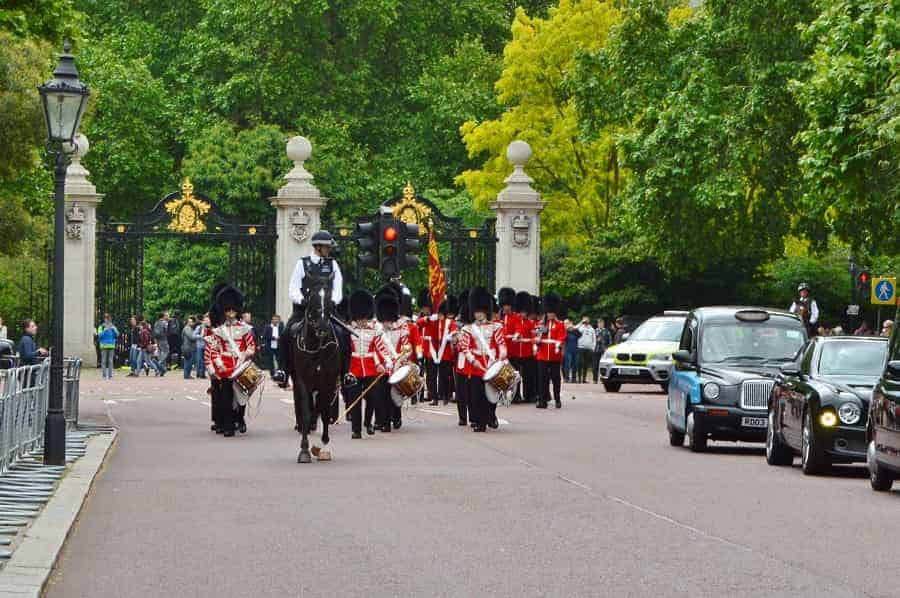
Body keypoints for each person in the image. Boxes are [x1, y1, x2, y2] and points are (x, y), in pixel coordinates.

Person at [275, 230, 350, 388]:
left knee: (343, 334)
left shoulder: (333, 264)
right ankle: (283, 370)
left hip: (327, 309)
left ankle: (346, 374)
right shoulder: (303, 263)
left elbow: (338, 289)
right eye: (327, 247)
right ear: (318, 247)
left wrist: (331, 302)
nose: (329, 249)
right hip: (304, 310)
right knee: (286, 333)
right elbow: (293, 287)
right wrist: (302, 300)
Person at [204, 284, 256, 437]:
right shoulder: (219, 330)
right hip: (225, 366)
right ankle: (228, 425)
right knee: (226, 398)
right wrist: (218, 364)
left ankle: (239, 419)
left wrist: (245, 355)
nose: (231, 312)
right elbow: (214, 348)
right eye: (228, 310)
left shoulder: (245, 328)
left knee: (241, 396)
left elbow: (251, 346)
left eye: (233, 310)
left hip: (240, 365)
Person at [459, 286, 507, 432]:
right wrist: (473, 360)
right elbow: (465, 348)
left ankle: (491, 416)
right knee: (476, 396)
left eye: (480, 311)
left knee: (491, 395)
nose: (478, 314)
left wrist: (501, 357)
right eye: (476, 311)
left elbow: (501, 344)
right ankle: (480, 422)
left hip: (491, 364)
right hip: (475, 366)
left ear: (486, 310)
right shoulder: (468, 329)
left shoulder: (495, 327)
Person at [344, 290, 385, 438]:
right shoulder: (349, 330)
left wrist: (382, 363)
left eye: (365, 317)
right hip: (354, 369)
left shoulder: (373, 331)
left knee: (373, 398)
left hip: (370, 369)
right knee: (355, 400)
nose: (363, 320)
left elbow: (380, 348)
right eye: (360, 318)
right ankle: (356, 430)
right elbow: (345, 352)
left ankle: (368, 422)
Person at [375, 288, 409, 432]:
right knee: (381, 395)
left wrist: (403, 358)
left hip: (396, 365)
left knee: (395, 393)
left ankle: (396, 417)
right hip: (382, 366)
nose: (388, 322)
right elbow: (374, 348)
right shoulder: (376, 328)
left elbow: (407, 345)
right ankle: (384, 422)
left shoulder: (401, 326)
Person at [422, 293, 457, 406]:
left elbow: (454, 332)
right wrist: (427, 318)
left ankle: (445, 395)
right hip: (432, 352)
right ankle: (434, 397)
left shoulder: (449, 322)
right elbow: (419, 324)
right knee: (431, 376)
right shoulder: (431, 320)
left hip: (445, 352)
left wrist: (449, 336)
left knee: (444, 376)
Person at [535, 293, 566, 409]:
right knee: (542, 379)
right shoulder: (542, 325)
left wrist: (558, 344)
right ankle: (543, 400)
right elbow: (537, 337)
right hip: (542, 356)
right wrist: (537, 339)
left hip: (554, 356)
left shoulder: (560, 324)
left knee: (556, 378)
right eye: (548, 312)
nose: (550, 314)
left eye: (552, 312)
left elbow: (562, 337)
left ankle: (557, 398)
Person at [497, 288, 522, 401]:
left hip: (513, 350)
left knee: (515, 373)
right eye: (504, 305)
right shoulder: (499, 318)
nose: (506, 307)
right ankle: (503, 395)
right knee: (503, 374)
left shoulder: (516, 317)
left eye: (508, 305)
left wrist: (516, 335)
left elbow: (518, 328)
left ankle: (516, 395)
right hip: (503, 351)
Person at [453, 290, 473, 426]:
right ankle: (462, 417)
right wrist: (454, 342)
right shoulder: (458, 327)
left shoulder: (475, 329)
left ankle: (472, 416)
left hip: (472, 363)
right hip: (460, 363)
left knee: (472, 392)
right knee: (460, 391)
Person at [515, 291, 537, 403]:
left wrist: (534, 347)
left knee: (528, 376)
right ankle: (516, 394)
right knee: (516, 375)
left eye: (524, 312)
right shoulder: (516, 320)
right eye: (521, 311)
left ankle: (529, 395)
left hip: (527, 351)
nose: (523, 314)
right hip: (516, 351)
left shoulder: (531, 323)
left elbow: (533, 335)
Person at [97, 313, 119, 380]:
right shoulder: (101, 326)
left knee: (110, 361)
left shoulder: (113, 326)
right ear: (104, 319)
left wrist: (114, 330)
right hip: (103, 346)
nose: (107, 320)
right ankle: (104, 375)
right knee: (103, 361)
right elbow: (99, 335)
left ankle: (110, 376)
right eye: (106, 318)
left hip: (111, 346)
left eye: (108, 318)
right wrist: (104, 330)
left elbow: (117, 335)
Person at [576, 315, 596, 384]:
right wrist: (581, 322)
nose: (586, 320)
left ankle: (584, 379)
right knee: (580, 363)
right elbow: (575, 328)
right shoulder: (580, 327)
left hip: (589, 348)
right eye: (584, 319)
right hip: (580, 347)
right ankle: (579, 378)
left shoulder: (591, 329)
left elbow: (594, 339)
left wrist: (593, 347)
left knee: (586, 364)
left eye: (587, 319)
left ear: (589, 320)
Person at [592, 318, 612, 383]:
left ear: (603, 324)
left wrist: (608, 348)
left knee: (603, 365)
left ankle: (602, 379)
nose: (600, 324)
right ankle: (595, 379)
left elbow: (610, 341)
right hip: (596, 349)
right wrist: (596, 341)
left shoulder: (607, 331)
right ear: (597, 324)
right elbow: (591, 340)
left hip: (604, 350)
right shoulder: (594, 331)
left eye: (601, 323)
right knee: (595, 365)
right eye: (599, 323)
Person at [195, 314, 210, 379]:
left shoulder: (210, 328)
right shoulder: (199, 327)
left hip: (206, 345)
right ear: (203, 321)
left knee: (204, 360)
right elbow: (194, 335)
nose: (206, 322)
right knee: (199, 360)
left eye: (208, 320)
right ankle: (198, 373)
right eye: (205, 320)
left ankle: (202, 374)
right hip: (200, 345)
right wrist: (201, 336)